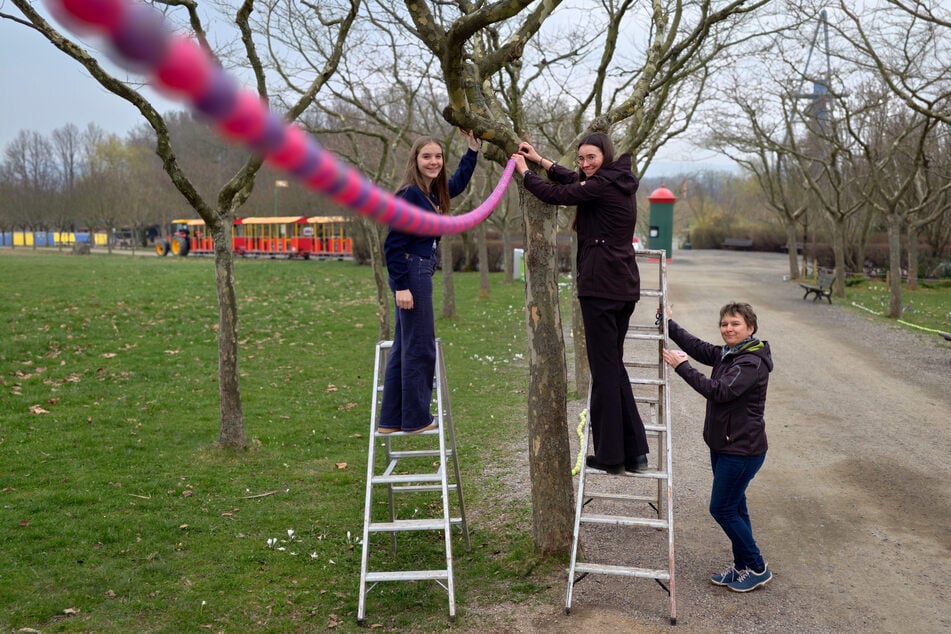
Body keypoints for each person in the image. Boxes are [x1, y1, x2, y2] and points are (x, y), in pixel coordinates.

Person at [511, 133, 649, 474]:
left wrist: (524, 173)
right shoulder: (614, 180)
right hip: (622, 286)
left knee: (604, 370)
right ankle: (634, 453)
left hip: (602, 288)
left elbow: (560, 194)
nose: (585, 164)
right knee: (612, 366)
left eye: (591, 157)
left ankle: (613, 456)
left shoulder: (601, 186)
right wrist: (542, 161)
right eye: (581, 158)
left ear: (605, 155)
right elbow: (576, 181)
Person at [662, 302, 774, 593]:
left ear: (750, 328)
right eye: (724, 324)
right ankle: (742, 568)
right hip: (725, 446)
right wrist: (669, 325)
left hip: (742, 450)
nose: (728, 329)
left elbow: (721, 392)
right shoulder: (729, 353)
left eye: (735, 324)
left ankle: (758, 567)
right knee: (736, 506)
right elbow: (699, 347)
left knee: (722, 508)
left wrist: (681, 366)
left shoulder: (750, 362)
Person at [378, 130, 482, 434]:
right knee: (420, 346)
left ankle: (391, 420)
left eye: (438, 156)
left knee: (404, 346)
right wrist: (401, 286)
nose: (433, 161)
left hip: (418, 270)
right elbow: (393, 244)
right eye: (427, 156)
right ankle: (416, 419)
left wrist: (472, 150)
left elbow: (458, 182)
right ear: (415, 160)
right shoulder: (409, 194)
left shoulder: (430, 194)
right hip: (411, 273)